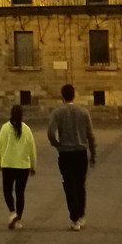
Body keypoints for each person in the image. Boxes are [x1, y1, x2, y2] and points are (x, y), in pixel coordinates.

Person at [47, 84, 96, 231]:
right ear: (74, 95)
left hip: (65, 153)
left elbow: (50, 133)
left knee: (68, 185)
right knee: (80, 185)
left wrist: (57, 145)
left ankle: (74, 219)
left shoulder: (57, 112)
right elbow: (91, 135)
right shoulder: (83, 112)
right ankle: (81, 215)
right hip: (81, 152)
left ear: (62, 96)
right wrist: (93, 153)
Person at [0, 104, 36, 230]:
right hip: (23, 165)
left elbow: (0, 146)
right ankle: (19, 219)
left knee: (7, 191)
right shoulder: (27, 129)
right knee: (20, 193)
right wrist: (33, 165)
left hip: (8, 164)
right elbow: (31, 148)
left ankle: (12, 212)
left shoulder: (5, 128)